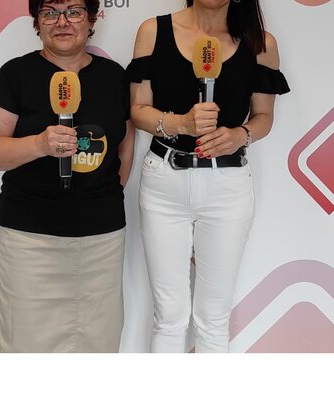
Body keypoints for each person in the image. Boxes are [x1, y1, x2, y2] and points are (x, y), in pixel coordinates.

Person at [127, 0, 289, 352]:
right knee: (168, 317)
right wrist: (179, 123)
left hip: (227, 187)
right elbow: (138, 110)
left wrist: (240, 135)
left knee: (213, 320)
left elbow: (263, 116)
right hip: (164, 182)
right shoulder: (153, 31)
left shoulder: (261, 43)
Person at [0, 0, 134, 352]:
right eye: (49, 12)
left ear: (91, 19)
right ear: (37, 22)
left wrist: (100, 199)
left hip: (101, 239)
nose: (62, 21)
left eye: (74, 11)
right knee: (26, 342)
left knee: (97, 341)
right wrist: (39, 144)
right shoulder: (14, 75)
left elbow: (124, 148)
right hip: (30, 240)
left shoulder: (114, 77)